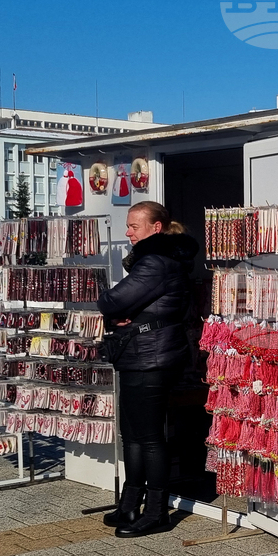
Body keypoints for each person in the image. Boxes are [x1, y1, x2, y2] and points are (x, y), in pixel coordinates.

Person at [97, 201, 198, 538]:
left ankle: (156, 513)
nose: (128, 232)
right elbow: (125, 307)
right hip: (141, 354)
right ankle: (130, 504)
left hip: (151, 359)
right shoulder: (157, 260)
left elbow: (111, 301)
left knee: (150, 438)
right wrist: (122, 315)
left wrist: (117, 311)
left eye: (133, 226)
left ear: (155, 228)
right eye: (127, 226)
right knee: (134, 435)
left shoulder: (154, 262)